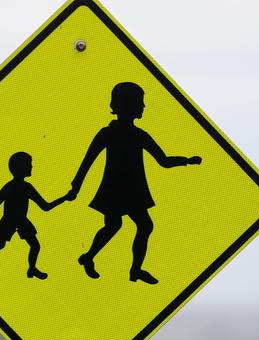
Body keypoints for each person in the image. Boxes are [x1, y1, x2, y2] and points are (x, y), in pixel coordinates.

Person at [69, 82, 201, 284]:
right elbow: (88, 160)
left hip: (133, 189)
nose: (143, 107)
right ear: (127, 104)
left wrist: (187, 161)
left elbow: (163, 161)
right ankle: (92, 258)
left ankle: (130, 269)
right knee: (117, 225)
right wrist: (75, 186)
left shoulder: (140, 135)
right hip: (115, 189)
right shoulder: (107, 133)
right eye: (140, 102)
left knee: (142, 225)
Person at [0, 151, 72, 279]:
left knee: (35, 245)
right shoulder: (11, 187)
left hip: (22, 221)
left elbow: (45, 206)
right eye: (29, 164)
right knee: (0, 244)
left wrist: (64, 198)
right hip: (8, 221)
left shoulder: (27, 187)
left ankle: (32, 269)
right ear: (21, 167)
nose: (31, 167)